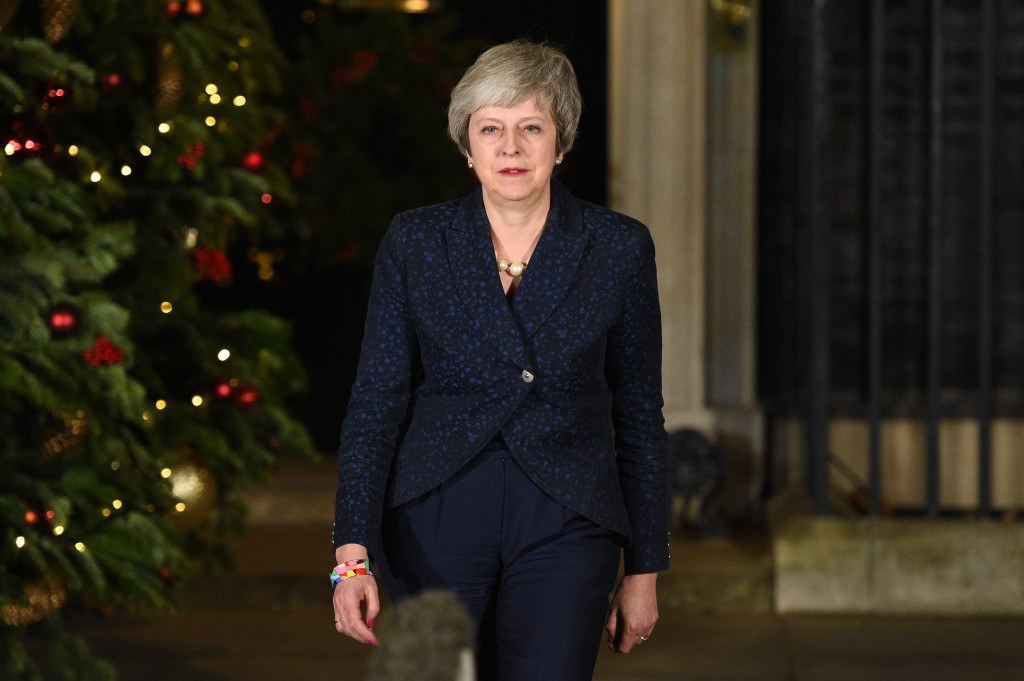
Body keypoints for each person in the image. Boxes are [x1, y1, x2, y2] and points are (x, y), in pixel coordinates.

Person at [331, 40, 669, 681]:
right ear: (467, 144)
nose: (510, 147)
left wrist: (645, 570)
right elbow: (374, 405)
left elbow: (641, 417)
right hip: (435, 516)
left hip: (569, 518)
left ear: (560, 142)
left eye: (531, 128)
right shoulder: (416, 241)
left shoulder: (618, 247)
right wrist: (351, 557)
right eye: (491, 128)